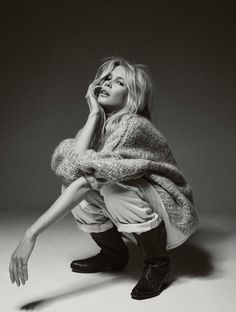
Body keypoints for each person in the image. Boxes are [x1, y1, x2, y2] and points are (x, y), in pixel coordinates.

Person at [9, 57, 199, 300]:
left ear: (132, 97)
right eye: (106, 78)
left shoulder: (132, 125)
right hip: (143, 210)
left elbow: (88, 177)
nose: (108, 83)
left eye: (119, 82)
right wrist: (93, 115)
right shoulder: (101, 125)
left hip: (173, 217)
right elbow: (71, 171)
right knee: (73, 187)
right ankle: (114, 255)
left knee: (109, 188)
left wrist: (31, 234)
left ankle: (158, 265)